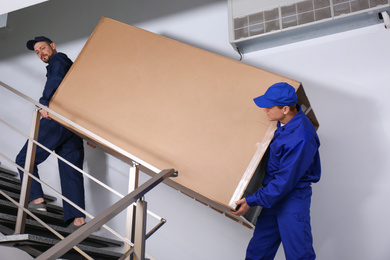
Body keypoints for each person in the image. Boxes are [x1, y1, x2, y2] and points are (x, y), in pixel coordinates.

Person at [232, 82, 321, 260]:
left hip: (292, 199)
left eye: (269, 107)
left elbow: (284, 182)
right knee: (258, 252)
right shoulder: (283, 124)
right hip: (273, 197)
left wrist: (251, 200)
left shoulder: (301, 137)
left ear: (286, 109)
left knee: (299, 256)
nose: (265, 110)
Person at [15, 36, 86, 230]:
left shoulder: (59, 59)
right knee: (70, 171)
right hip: (73, 125)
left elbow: (55, 79)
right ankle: (78, 221)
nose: (40, 53)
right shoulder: (69, 68)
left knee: (24, 159)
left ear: (52, 46)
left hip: (56, 119)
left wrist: (44, 102)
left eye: (43, 48)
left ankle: (37, 200)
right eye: (37, 52)